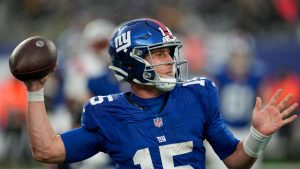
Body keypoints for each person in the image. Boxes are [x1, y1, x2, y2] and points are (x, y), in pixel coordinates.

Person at [24, 18, 298, 169]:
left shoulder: (197, 95)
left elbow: (235, 163)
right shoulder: (106, 113)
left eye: (169, 51)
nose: (169, 60)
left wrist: (258, 136)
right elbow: (46, 150)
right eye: (157, 53)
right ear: (131, 62)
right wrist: (35, 90)